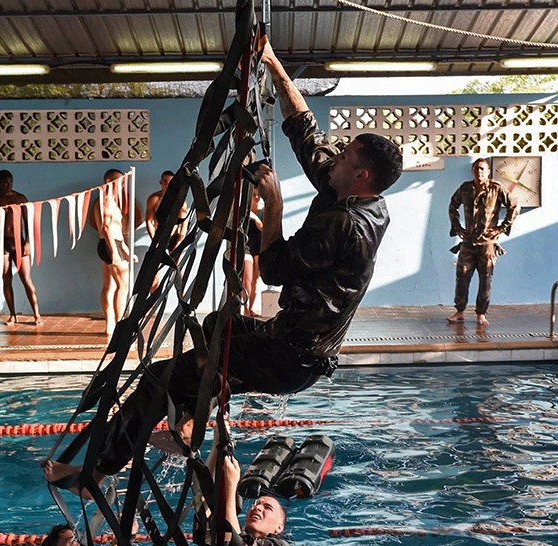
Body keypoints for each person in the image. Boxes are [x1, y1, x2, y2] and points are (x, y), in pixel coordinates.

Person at [44, 39, 402, 490]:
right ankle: (193, 423)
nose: (335, 158)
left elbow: (272, 269)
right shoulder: (353, 193)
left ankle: (95, 472)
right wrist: (273, 63)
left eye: (345, 156)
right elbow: (304, 129)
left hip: (291, 357)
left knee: (162, 376)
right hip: (288, 340)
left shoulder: (345, 223)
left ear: (362, 175)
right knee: (218, 322)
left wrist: (272, 204)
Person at [447, 158, 519, 328]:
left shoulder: (496, 188)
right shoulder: (465, 188)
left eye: (482, 169)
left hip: (488, 244)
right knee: (462, 277)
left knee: (485, 278)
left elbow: (514, 207)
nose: (479, 172)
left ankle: (481, 313)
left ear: (488, 172)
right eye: (476, 169)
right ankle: (460, 310)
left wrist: (501, 228)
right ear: (472, 171)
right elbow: (452, 205)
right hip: (468, 242)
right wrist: (457, 227)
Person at [194, 454, 294, 546]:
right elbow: (202, 498)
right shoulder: (229, 535)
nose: (257, 507)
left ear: (279, 527)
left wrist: (231, 486)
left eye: (267, 508)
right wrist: (216, 447)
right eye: (256, 504)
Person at [0, 170, 42, 326]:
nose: (8, 186)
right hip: (1, 242)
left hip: (19, 240)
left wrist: (28, 242)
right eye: (4, 183)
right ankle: (12, 315)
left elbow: (27, 222)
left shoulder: (20, 198)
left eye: (10, 183)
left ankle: (37, 314)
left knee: (26, 279)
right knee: (6, 279)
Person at [89, 168, 141, 336]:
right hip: (110, 246)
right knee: (123, 286)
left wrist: (126, 250)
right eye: (120, 181)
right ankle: (120, 326)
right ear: (108, 181)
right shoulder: (105, 200)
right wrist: (116, 252)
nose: (123, 184)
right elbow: (105, 227)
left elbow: (116, 229)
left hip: (110, 245)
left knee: (109, 286)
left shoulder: (111, 200)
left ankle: (110, 326)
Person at [145, 170, 188, 291]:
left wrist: (180, 239)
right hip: (159, 236)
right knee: (153, 269)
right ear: (161, 182)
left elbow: (184, 221)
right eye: (165, 182)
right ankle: (151, 304)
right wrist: (155, 239)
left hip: (174, 237)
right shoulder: (154, 199)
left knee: (178, 267)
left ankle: (182, 299)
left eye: (171, 182)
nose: (168, 185)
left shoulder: (180, 200)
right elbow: (149, 221)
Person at [242, 185, 263, 316]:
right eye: (254, 194)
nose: (256, 197)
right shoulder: (244, 211)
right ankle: (245, 309)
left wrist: (256, 218)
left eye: (258, 195)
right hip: (247, 246)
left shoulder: (263, 211)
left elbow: (265, 229)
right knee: (247, 278)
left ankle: (251, 307)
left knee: (256, 279)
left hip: (259, 246)